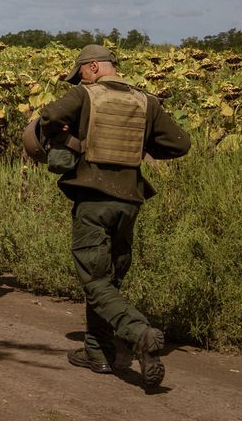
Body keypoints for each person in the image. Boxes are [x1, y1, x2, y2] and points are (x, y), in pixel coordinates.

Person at [34, 44, 189, 387]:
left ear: (91, 68)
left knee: (94, 277)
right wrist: (142, 145)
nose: (81, 79)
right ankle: (98, 351)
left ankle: (137, 333)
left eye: (81, 74)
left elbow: (48, 117)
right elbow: (180, 144)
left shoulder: (85, 94)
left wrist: (75, 143)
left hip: (93, 198)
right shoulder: (146, 100)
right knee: (110, 276)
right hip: (130, 201)